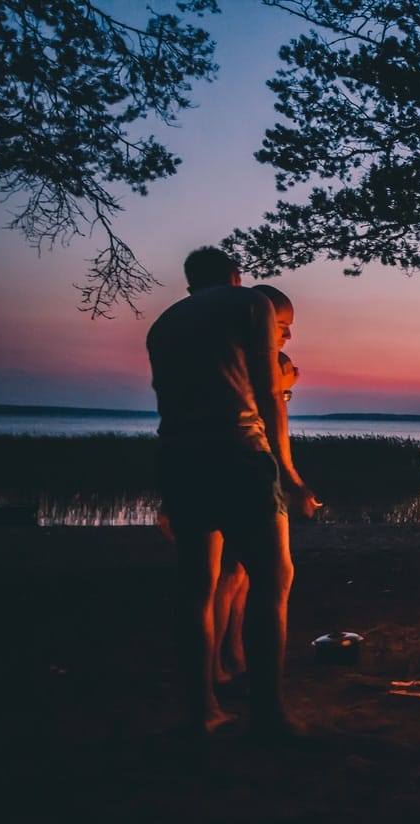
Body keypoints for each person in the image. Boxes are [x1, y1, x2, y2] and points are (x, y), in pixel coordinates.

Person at [147, 247, 319, 737]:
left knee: (195, 588)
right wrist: (288, 472)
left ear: (189, 283)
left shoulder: (163, 323)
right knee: (274, 578)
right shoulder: (249, 305)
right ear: (235, 277)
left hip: (179, 457)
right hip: (239, 453)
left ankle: (201, 711)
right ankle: (269, 714)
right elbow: (266, 393)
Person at [212, 284, 301, 686]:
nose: (286, 333)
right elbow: (265, 405)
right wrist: (288, 473)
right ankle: (216, 663)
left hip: (237, 460)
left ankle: (234, 651)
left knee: (243, 575)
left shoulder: (253, 358)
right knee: (231, 573)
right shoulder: (251, 360)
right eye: (281, 324)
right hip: (244, 463)